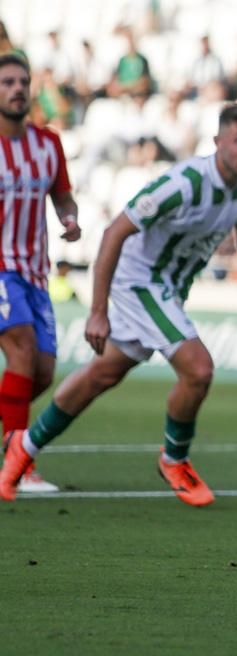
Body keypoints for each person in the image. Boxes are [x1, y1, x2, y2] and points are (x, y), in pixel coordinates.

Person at [0, 103, 237, 505]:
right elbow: (114, 231)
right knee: (199, 369)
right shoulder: (184, 183)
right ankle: (174, 459)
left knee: (103, 373)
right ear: (217, 142)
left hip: (170, 288)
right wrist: (98, 311)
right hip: (139, 280)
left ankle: (24, 447)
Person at [0, 55, 82, 495]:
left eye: (22, 82)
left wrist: (69, 219)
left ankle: (12, 442)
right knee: (23, 352)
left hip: (35, 272)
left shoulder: (48, 144)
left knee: (44, 373)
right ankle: (18, 465)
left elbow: (63, 197)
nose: (17, 89)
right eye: (8, 82)